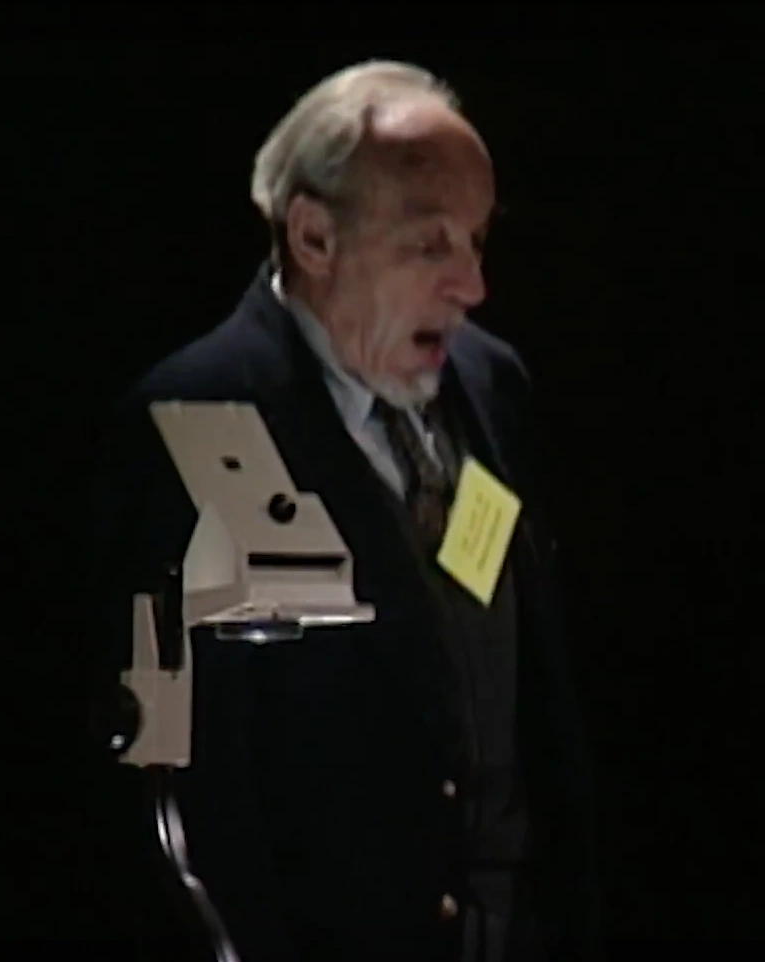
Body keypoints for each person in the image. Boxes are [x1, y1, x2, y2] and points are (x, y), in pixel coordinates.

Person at [90, 60, 600, 962]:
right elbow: (174, 795)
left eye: (478, 241)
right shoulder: (193, 426)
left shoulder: (491, 383)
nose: (472, 285)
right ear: (314, 237)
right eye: (429, 244)